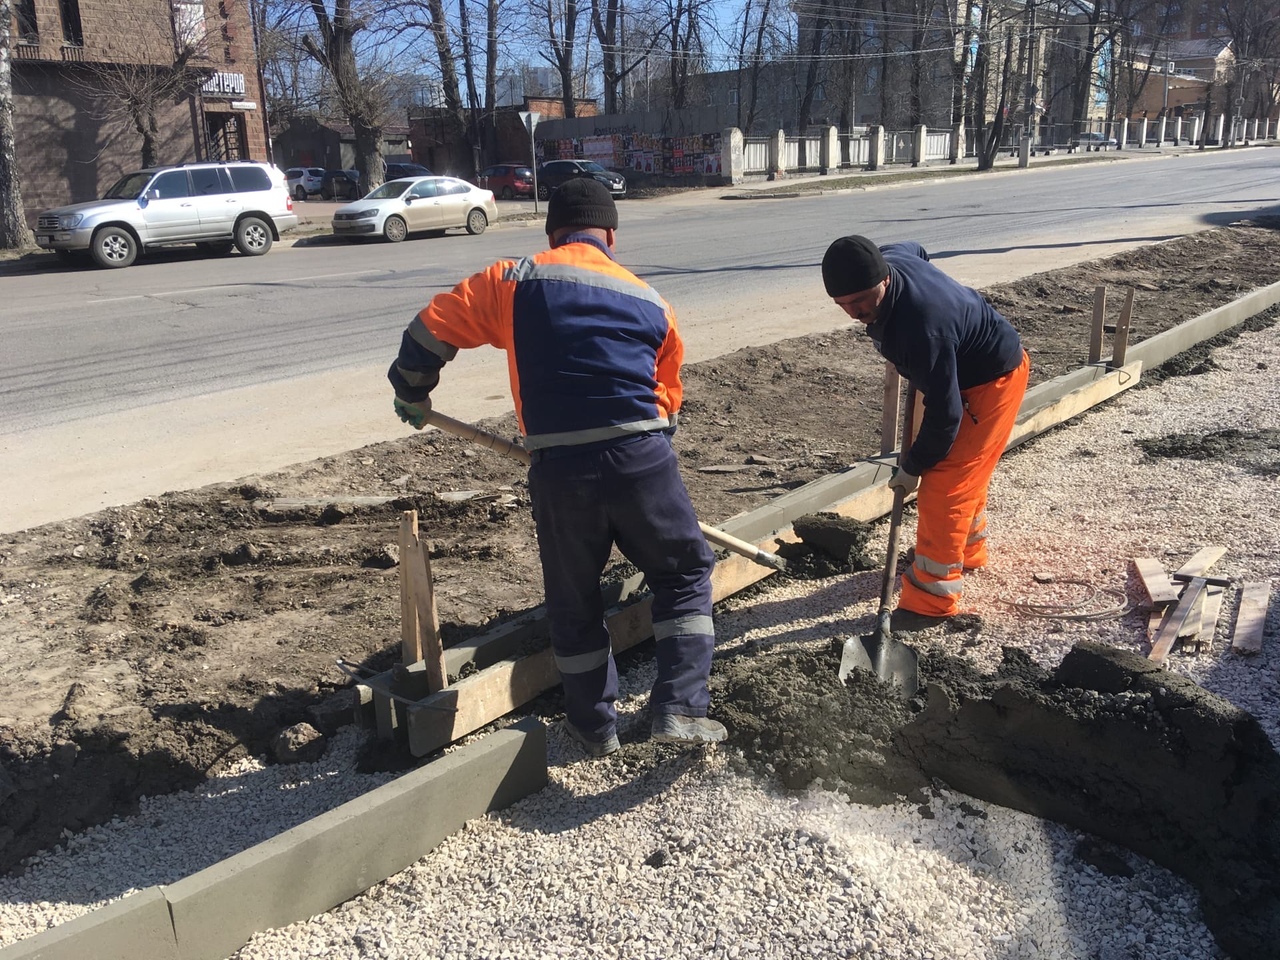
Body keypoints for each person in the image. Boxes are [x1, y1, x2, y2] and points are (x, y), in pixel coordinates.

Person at [388, 178, 727, 757]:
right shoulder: (651, 300)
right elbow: (667, 399)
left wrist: (413, 391)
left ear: (552, 232)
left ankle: (593, 728)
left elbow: (433, 327)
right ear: (611, 235)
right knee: (684, 573)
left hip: (558, 468)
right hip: (641, 458)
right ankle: (681, 708)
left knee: (574, 599)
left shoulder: (512, 281)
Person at [821, 235, 1030, 620]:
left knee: (947, 483)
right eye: (844, 304)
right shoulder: (894, 259)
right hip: (959, 371)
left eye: (862, 299)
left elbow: (945, 417)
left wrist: (913, 467)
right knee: (962, 473)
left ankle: (931, 600)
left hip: (991, 381)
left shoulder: (922, 329)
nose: (855, 311)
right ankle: (968, 550)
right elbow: (916, 248)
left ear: (884, 280)